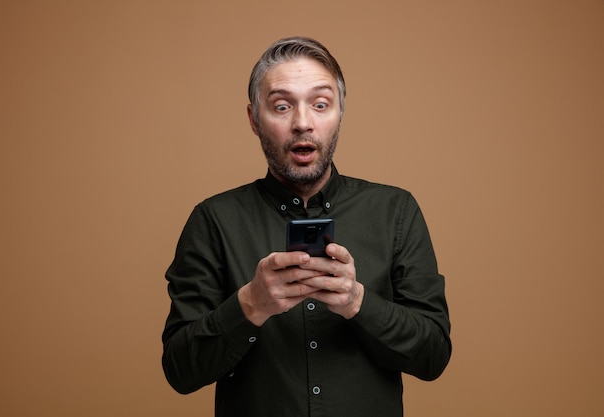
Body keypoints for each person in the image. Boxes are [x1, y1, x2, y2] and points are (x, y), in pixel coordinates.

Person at [162, 36, 451, 417]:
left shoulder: (396, 211)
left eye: (320, 104)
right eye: (281, 106)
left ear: (340, 113)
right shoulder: (213, 220)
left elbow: (432, 357)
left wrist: (358, 302)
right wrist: (250, 304)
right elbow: (181, 371)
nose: (302, 123)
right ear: (253, 119)